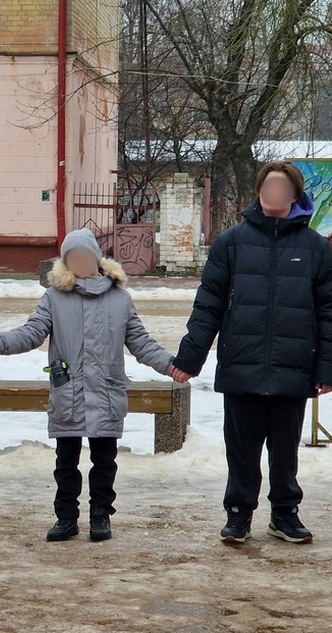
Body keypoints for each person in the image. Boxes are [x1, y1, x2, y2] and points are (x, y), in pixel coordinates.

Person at [172, 161, 332, 545]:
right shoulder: (231, 242)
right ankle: (239, 515)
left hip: (293, 367)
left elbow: (328, 312)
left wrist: (326, 367)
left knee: (286, 449)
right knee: (241, 450)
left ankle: (284, 514)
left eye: (281, 188)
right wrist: (189, 358)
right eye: (267, 187)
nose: (273, 194)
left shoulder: (315, 248)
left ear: (294, 195)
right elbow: (208, 305)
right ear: (259, 193)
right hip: (242, 364)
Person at [0, 228, 177, 542]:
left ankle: (101, 516)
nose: (80, 261)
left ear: (96, 258)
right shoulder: (54, 297)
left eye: (85, 256)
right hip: (69, 392)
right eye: (73, 257)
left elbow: (142, 343)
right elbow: (31, 333)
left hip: (106, 392)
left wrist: (173, 365)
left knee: (104, 461)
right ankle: (66, 518)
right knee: (66, 461)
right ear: (66, 261)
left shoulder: (119, 299)